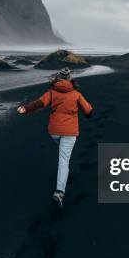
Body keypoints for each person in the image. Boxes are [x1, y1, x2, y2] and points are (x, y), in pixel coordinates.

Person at [17, 67, 93, 209]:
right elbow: (88, 111)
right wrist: (89, 110)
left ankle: (63, 177)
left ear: (58, 78)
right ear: (70, 79)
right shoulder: (76, 94)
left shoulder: (51, 92)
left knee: (63, 153)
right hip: (70, 132)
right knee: (64, 160)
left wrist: (25, 109)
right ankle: (59, 193)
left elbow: (38, 103)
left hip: (54, 132)